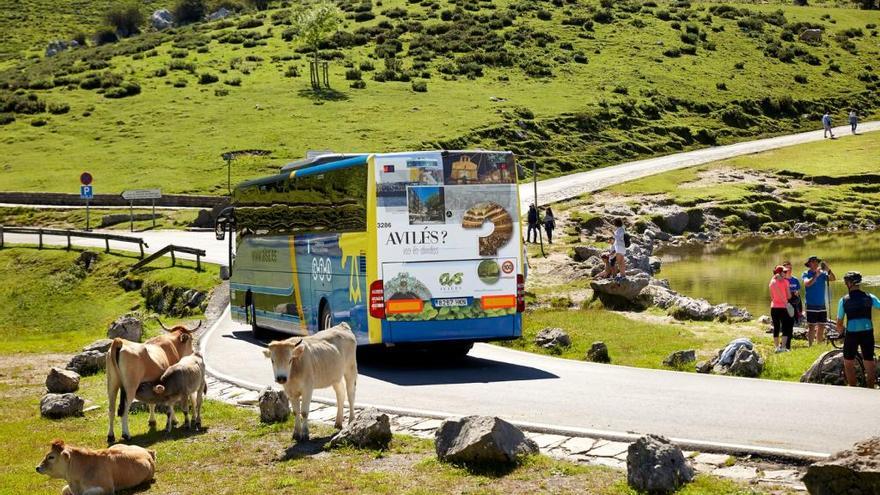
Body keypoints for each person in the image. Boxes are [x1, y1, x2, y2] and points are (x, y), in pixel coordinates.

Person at [835, 271, 878, 388]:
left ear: (849, 283)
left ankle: (853, 389)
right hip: (868, 332)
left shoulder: (843, 300)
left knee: (848, 362)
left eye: (845, 282)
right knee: (869, 360)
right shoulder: (870, 297)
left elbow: (839, 323)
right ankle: (870, 388)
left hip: (852, 334)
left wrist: (841, 332)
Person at [803, 255, 836, 346]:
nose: (815, 263)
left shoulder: (823, 274)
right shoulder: (806, 273)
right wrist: (815, 276)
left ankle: (819, 344)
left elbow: (833, 279)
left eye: (816, 261)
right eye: (813, 261)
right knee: (811, 326)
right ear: (809, 264)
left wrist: (828, 270)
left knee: (821, 325)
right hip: (811, 304)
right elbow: (807, 284)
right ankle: (810, 345)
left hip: (822, 304)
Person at [769, 265, 794, 352]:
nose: (787, 273)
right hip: (783, 308)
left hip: (774, 307)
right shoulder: (786, 282)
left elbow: (772, 296)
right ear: (780, 273)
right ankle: (783, 347)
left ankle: (776, 347)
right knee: (785, 327)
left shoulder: (772, 282)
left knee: (776, 327)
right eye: (785, 272)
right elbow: (789, 296)